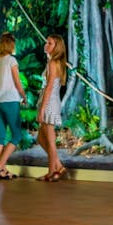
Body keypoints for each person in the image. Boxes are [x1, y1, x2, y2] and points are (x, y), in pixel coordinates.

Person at [0, 31, 25, 180]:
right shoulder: (11, 60)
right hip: (10, 100)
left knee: (0, 137)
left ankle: (2, 170)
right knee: (16, 135)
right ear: (11, 45)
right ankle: (0, 166)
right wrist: (23, 96)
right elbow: (17, 82)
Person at [36, 34, 68, 182]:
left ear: (57, 47)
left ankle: (51, 172)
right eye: (46, 42)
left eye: (50, 43)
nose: (46, 45)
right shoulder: (54, 63)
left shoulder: (53, 63)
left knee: (49, 140)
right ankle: (58, 167)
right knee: (41, 138)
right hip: (49, 100)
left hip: (49, 102)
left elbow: (49, 87)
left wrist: (42, 110)